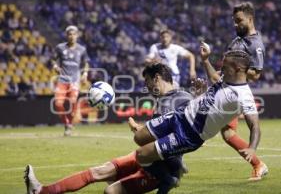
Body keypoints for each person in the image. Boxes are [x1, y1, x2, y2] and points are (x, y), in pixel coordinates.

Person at [24, 63, 195, 194]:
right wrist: (141, 129)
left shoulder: (182, 99)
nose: (147, 87)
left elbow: (189, 132)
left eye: (148, 82)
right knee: (98, 172)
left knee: (110, 191)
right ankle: (41, 191)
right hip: (145, 156)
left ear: (157, 78)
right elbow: (162, 131)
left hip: (160, 169)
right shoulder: (167, 100)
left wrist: (139, 131)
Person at [128, 50, 262, 182]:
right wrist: (205, 60)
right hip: (179, 116)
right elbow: (213, 77)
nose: (221, 69)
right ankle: (173, 163)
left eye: (225, 67)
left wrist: (252, 148)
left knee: (141, 154)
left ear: (238, 69)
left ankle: (168, 178)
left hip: (190, 134)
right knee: (139, 137)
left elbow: (255, 125)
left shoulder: (244, 96)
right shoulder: (226, 78)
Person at [219, 2, 268, 181]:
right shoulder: (237, 40)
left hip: (237, 92)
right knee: (227, 133)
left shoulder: (256, 45)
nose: (235, 24)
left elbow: (255, 75)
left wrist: (236, 66)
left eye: (238, 20)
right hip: (224, 87)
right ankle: (258, 164)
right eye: (234, 20)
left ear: (250, 19)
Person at [52, 25, 90, 136]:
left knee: (72, 102)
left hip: (74, 81)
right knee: (58, 104)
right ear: (66, 35)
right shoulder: (60, 48)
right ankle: (67, 124)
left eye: (74, 34)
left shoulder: (82, 49)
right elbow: (53, 60)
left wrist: (85, 73)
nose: (72, 36)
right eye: (69, 34)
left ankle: (69, 125)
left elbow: (86, 63)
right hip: (63, 80)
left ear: (77, 35)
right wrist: (55, 66)